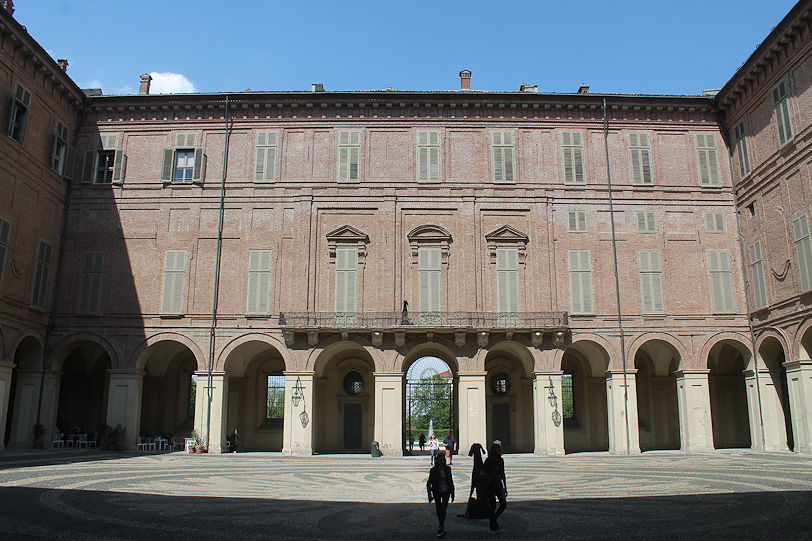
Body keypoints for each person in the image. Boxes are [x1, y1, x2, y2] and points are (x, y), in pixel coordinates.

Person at [427, 453, 455, 537]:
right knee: (439, 509)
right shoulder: (433, 470)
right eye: (440, 460)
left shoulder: (448, 469)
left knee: (443, 508)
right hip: (437, 492)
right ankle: (441, 525)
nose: (442, 461)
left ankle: (441, 526)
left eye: (443, 460)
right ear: (437, 461)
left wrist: (453, 493)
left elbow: (451, 481)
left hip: (446, 491)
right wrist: (429, 494)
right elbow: (429, 483)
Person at [483, 442, 507, 533]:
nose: (499, 452)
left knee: (503, 504)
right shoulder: (488, 461)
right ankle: (493, 523)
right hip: (490, 486)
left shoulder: (501, 460)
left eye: (499, 450)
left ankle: (493, 519)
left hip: (498, 484)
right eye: (497, 450)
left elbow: (503, 473)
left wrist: (505, 486)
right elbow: (483, 473)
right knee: (492, 506)